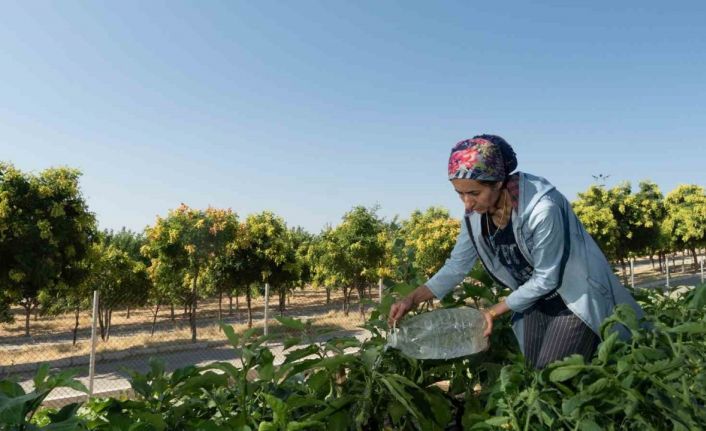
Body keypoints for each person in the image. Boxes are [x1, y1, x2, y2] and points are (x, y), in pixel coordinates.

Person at [388, 135, 644, 369]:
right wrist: (412, 298)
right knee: (533, 373)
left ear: (498, 182)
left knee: (551, 376)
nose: (467, 203)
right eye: (460, 194)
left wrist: (491, 312)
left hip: (573, 297)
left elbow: (547, 278)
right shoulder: (474, 216)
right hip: (533, 300)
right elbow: (457, 266)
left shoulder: (543, 209)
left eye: (474, 193)